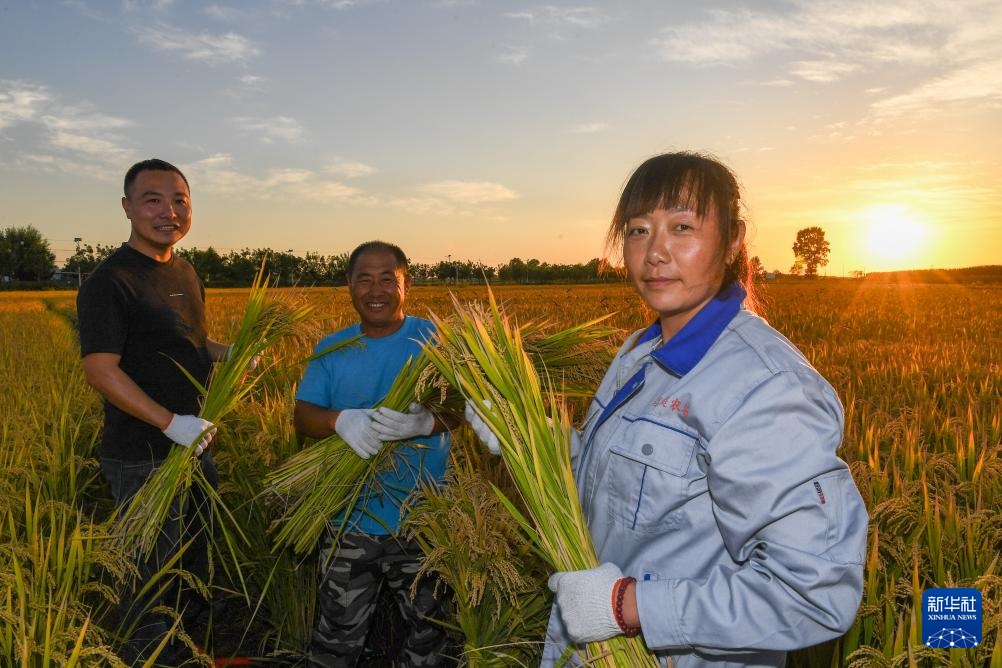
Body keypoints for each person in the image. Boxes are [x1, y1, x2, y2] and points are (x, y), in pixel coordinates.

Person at [467, 152, 868, 667]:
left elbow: (814, 593)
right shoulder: (639, 351)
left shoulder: (765, 387)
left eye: (682, 227)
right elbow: (621, 490)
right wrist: (536, 441)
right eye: (638, 230)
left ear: (733, 239)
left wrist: (630, 605)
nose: (655, 252)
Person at [77, 158, 235, 665]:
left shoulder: (185, 271)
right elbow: (101, 370)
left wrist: (229, 353)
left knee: (192, 562)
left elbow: (187, 343)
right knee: (149, 576)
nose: (169, 211)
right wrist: (171, 423)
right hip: (142, 457)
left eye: (179, 200)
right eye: (153, 200)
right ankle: (148, 656)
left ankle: (185, 651)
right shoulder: (110, 281)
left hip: (195, 446)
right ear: (127, 207)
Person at [294, 240, 454, 667]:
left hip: (424, 519)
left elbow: (465, 406)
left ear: (407, 284)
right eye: (364, 279)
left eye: (388, 279)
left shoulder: (436, 340)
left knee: (433, 638)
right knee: (336, 641)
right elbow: (303, 416)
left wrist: (427, 422)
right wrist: (338, 420)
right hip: (349, 518)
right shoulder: (332, 348)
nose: (376, 290)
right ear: (349, 285)